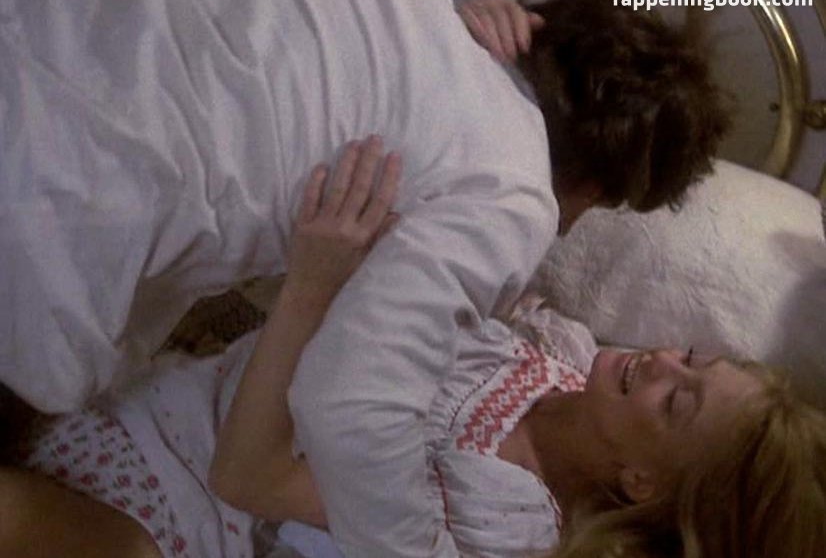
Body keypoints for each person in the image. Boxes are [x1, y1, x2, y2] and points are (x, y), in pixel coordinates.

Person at [0, 0, 729, 554]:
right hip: (55, 202)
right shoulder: (518, 198)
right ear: (598, 190)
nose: (666, 360)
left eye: (681, 394)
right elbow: (349, 402)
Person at [5, 142, 824, 558]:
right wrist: (510, 57)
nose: (662, 361)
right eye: (692, 356)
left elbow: (245, 475)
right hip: (159, 393)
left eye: (677, 400)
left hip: (179, 516)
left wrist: (310, 286)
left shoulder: (499, 518)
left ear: (641, 482)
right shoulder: (556, 348)